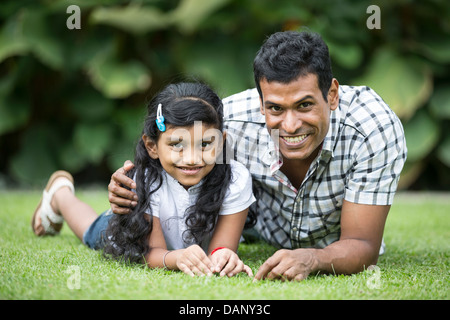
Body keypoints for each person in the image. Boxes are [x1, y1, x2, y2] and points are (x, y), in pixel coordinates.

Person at [108, 30, 407, 281]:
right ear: (260, 103)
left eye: (304, 105)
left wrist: (314, 259)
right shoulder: (228, 124)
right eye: (276, 108)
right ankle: (60, 195)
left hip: (303, 238)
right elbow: (167, 145)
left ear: (331, 95)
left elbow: (363, 244)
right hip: (247, 229)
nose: (290, 126)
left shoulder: (372, 129)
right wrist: (129, 182)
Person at [31, 82, 255, 278]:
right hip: (133, 227)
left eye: (205, 144)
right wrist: (177, 258)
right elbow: (151, 253)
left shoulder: (236, 179)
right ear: (152, 146)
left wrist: (223, 257)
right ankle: (60, 194)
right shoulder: (145, 182)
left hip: (185, 244)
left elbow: (221, 250)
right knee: (92, 232)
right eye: (177, 144)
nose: (192, 158)